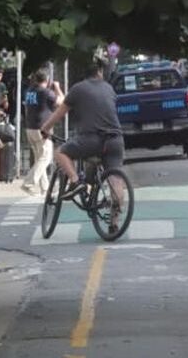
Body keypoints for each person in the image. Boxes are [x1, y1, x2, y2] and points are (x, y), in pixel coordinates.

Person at [40, 58, 127, 229]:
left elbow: (60, 112)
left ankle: (75, 181)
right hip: (116, 139)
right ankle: (115, 221)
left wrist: (45, 128)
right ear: (99, 72)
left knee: (61, 153)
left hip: (92, 138)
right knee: (115, 178)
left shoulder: (78, 89)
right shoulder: (108, 88)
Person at [22, 71, 62, 194]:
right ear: (47, 80)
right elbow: (61, 101)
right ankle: (28, 182)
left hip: (30, 127)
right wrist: (58, 88)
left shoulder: (30, 91)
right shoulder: (45, 92)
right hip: (42, 129)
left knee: (40, 158)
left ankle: (45, 188)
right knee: (46, 157)